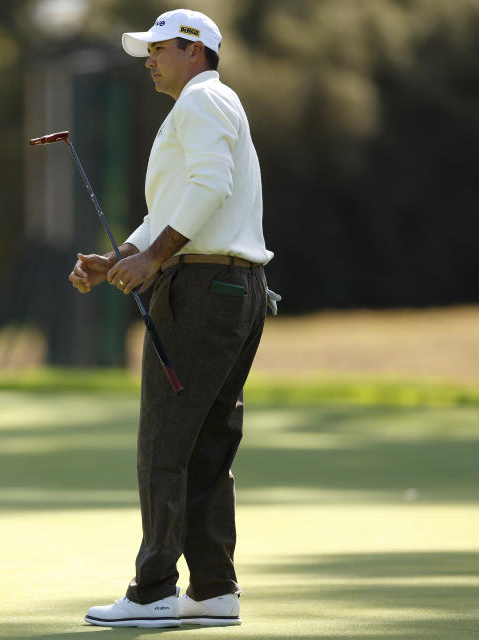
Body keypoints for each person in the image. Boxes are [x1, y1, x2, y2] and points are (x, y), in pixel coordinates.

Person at [68, 9, 274, 628]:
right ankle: (213, 590)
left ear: (195, 50)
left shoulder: (201, 102)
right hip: (233, 289)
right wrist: (120, 257)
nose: (149, 59)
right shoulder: (209, 103)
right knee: (207, 443)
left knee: (165, 441)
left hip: (203, 290)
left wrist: (155, 259)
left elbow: (209, 185)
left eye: (158, 48)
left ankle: (155, 588)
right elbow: (186, 201)